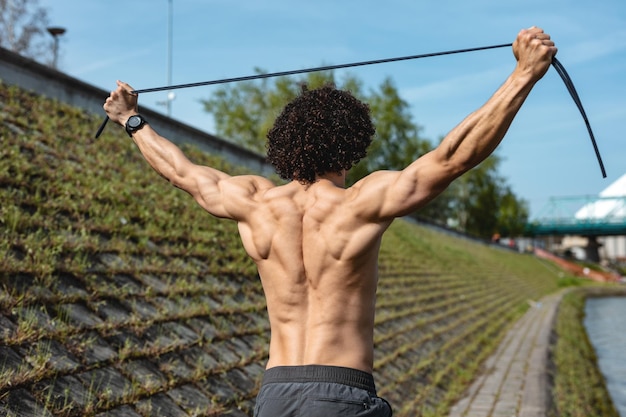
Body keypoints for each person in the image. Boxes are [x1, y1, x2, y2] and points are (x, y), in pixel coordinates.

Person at [103, 26, 557, 417]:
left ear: (285, 144)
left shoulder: (254, 201)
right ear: (352, 143)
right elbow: (453, 158)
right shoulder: (358, 203)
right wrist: (523, 75)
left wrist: (130, 119)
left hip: (276, 394)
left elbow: (183, 172)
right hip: (342, 393)